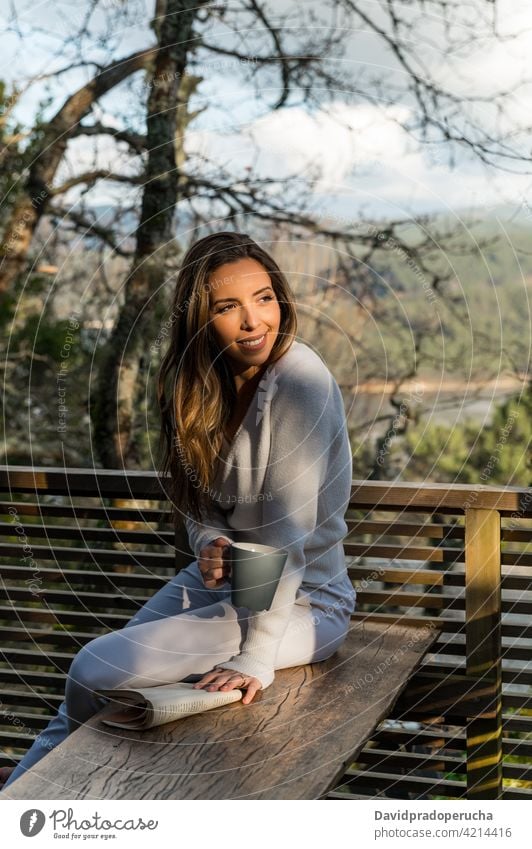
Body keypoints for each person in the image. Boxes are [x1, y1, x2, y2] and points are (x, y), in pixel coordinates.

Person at [1, 231, 356, 791]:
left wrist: (254, 657)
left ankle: (28, 794)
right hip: (221, 585)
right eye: (228, 307)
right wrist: (209, 540)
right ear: (199, 317)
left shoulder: (300, 379)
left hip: (304, 604)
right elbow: (195, 497)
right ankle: (25, 789)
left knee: (96, 667)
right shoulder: (195, 382)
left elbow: (286, 534)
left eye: (265, 298)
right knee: (99, 683)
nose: (253, 321)